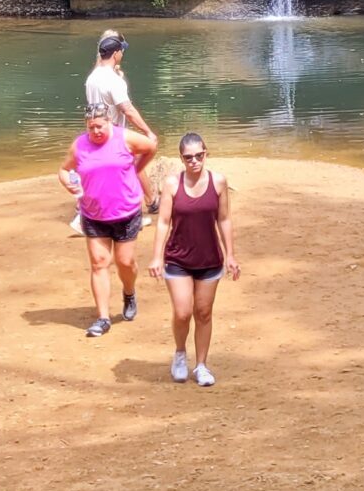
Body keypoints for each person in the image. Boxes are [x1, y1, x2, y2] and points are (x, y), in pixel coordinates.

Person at [148, 132, 238, 387]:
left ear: (206, 154)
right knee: (183, 311)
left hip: (209, 257)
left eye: (199, 156)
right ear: (182, 158)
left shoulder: (218, 182)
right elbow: (163, 221)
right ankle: (179, 353)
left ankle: (201, 365)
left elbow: (224, 219)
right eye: (189, 158)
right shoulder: (172, 184)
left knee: (204, 312)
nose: (195, 161)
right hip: (178, 257)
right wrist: (156, 257)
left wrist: (230, 254)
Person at [61, 101, 157, 337]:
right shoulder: (79, 145)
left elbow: (150, 146)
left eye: (100, 126)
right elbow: (64, 170)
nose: (95, 131)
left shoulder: (125, 138)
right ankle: (103, 318)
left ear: (109, 123)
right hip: (94, 213)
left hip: (125, 211)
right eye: (91, 127)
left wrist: (135, 169)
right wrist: (69, 185)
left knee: (125, 262)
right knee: (99, 263)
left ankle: (129, 292)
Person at [85, 30, 161, 219]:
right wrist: (147, 131)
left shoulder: (92, 78)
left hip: (96, 132)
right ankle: (145, 202)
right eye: (121, 50)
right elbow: (128, 109)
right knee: (143, 152)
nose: (122, 54)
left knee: (130, 160)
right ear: (116, 53)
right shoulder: (113, 81)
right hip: (114, 132)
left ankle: (151, 201)